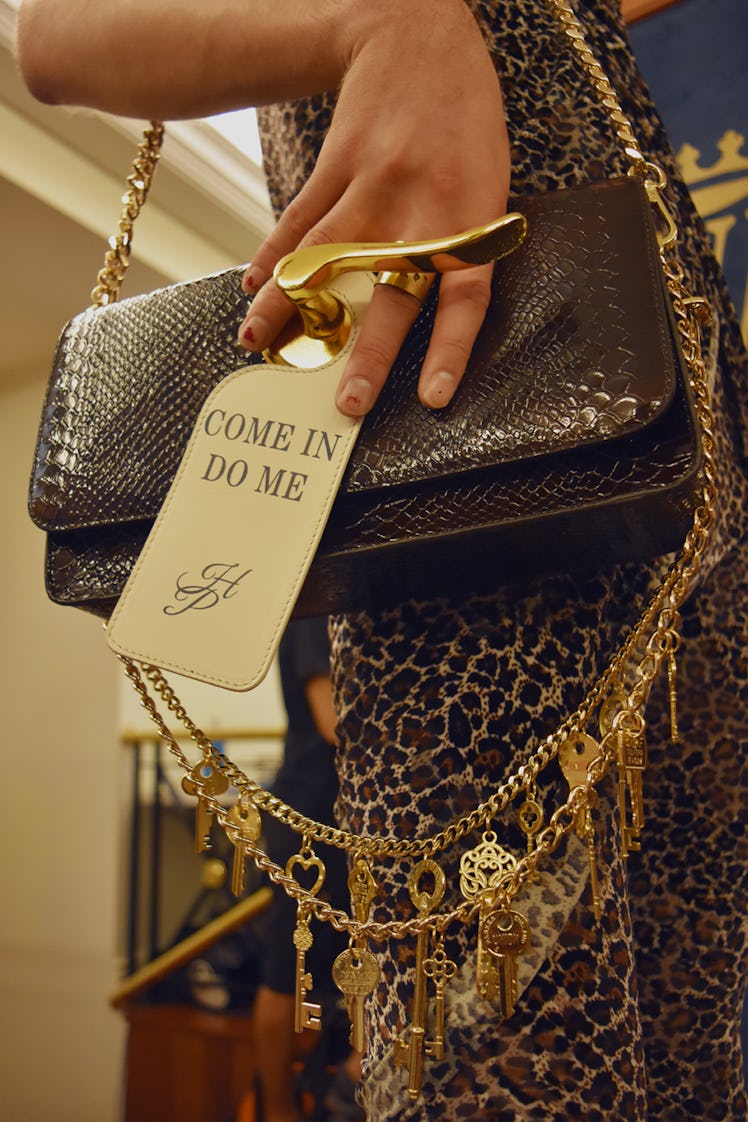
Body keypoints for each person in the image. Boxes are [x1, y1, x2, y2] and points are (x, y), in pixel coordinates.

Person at [16, 3, 747, 1119]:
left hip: (664, 438)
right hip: (442, 499)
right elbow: (54, 36)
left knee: (695, 995)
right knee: (522, 1052)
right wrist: (383, 23)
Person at [255, 616, 361, 1122]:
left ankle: (349, 1079)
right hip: (309, 819)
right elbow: (334, 722)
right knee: (287, 973)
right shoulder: (315, 612)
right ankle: (276, 1109)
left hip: (340, 817)